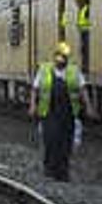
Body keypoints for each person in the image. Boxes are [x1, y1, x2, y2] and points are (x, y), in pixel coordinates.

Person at [33, 38, 79, 179]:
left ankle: (63, 172)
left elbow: (82, 89)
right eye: (59, 56)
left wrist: (88, 107)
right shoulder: (44, 69)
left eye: (64, 57)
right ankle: (50, 169)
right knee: (51, 141)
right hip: (49, 112)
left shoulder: (73, 70)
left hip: (68, 113)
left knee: (65, 143)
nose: (61, 59)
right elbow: (35, 88)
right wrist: (32, 105)